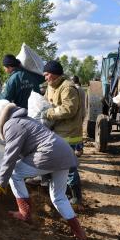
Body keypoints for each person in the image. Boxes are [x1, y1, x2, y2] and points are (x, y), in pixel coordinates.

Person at [0, 99, 87, 240]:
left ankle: (25, 213)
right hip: (64, 153)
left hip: (49, 154)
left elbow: (9, 158)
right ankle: (78, 232)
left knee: (15, 173)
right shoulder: (25, 119)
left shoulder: (12, 125)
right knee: (58, 196)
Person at [42, 61, 84, 205]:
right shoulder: (51, 86)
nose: (45, 78)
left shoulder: (68, 87)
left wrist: (48, 113)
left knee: (69, 167)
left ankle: (76, 196)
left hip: (69, 134)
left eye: (46, 75)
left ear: (53, 74)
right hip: (57, 132)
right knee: (55, 163)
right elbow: (46, 102)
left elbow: (69, 109)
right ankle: (60, 191)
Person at [72, 75, 86, 157]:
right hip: (82, 113)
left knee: (75, 132)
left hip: (77, 114)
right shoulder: (82, 90)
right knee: (79, 131)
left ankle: (78, 148)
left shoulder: (75, 89)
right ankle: (79, 148)